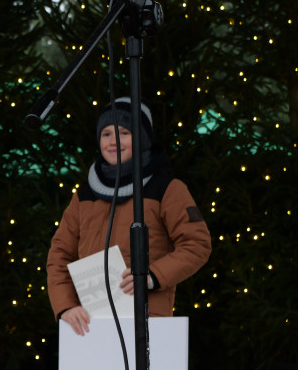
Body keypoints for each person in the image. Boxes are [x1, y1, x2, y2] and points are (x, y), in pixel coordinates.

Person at [46, 97, 212, 335]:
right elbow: (60, 255)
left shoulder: (167, 188)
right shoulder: (83, 196)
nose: (113, 141)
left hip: (148, 319)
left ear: (142, 138)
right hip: (89, 324)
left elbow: (197, 244)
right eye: (106, 134)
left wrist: (152, 276)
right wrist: (66, 306)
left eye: (123, 132)